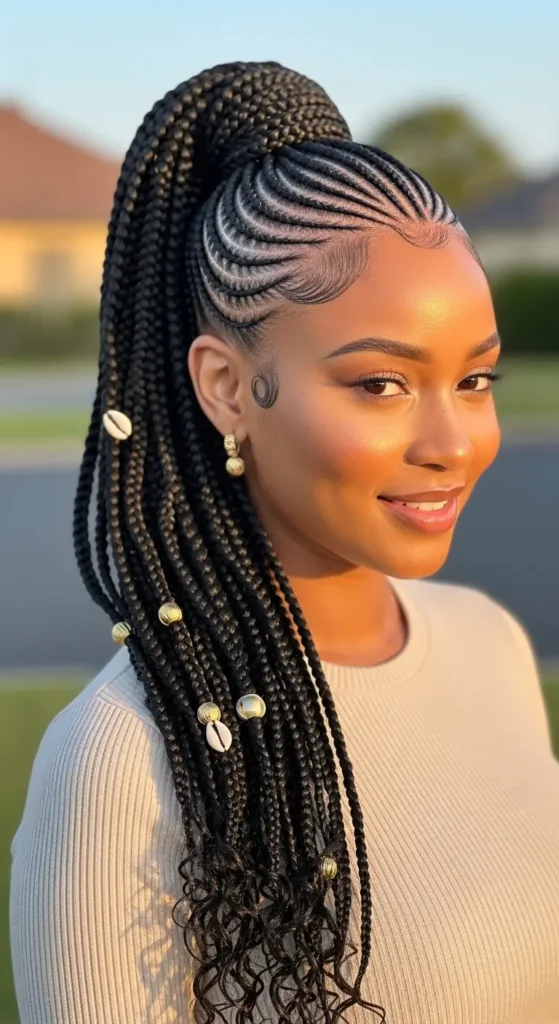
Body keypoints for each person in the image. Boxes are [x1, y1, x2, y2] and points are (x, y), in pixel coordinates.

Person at [9, 61, 559, 1024]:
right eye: (379, 384)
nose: (452, 444)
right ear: (226, 386)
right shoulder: (121, 759)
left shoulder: (492, 646)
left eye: (476, 381)